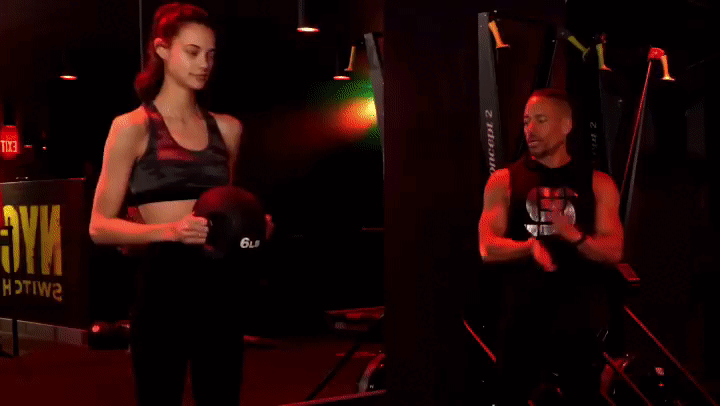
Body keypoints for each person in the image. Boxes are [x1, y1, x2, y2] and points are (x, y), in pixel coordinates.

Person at [88, 3, 273, 405]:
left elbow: (225, 204)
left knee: (221, 397)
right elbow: (99, 227)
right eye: (192, 52)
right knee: (158, 397)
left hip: (220, 288)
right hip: (163, 285)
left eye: (210, 54)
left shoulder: (228, 129)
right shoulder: (132, 127)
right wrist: (170, 231)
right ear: (162, 50)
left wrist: (251, 223)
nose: (204, 64)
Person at [478, 88, 624, 404]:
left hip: (578, 330)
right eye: (526, 121)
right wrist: (529, 247)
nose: (530, 129)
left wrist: (576, 237)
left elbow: (614, 251)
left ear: (566, 125)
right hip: (520, 329)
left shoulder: (597, 183)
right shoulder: (504, 180)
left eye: (541, 120)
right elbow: (487, 247)